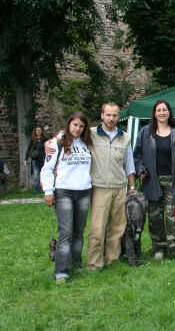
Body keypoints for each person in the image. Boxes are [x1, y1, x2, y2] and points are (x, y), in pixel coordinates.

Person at [47, 102, 137, 270]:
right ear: (102, 115)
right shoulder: (91, 134)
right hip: (99, 187)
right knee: (97, 229)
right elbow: (68, 133)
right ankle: (94, 264)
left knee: (117, 228)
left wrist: (131, 187)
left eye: (115, 115)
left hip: (119, 187)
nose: (111, 118)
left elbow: (129, 164)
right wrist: (51, 142)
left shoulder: (125, 137)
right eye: (108, 115)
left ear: (119, 117)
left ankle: (112, 260)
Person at [40, 112, 93, 284]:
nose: (77, 129)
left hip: (84, 191)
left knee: (79, 232)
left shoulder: (87, 143)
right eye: (75, 125)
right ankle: (61, 272)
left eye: (81, 126)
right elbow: (47, 168)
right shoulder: (57, 142)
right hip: (64, 192)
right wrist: (48, 191)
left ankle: (76, 264)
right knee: (66, 233)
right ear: (69, 124)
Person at [133, 100, 175, 260]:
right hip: (152, 180)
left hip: (173, 180)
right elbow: (137, 155)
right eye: (159, 110)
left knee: (172, 215)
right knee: (155, 215)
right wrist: (140, 169)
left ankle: (174, 246)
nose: (162, 112)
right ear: (154, 113)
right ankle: (158, 246)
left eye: (165, 110)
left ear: (169, 112)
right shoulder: (145, 132)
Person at [25, 126, 48, 194]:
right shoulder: (33, 139)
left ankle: (45, 189)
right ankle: (36, 190)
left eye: (39, 130)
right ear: (35, 131)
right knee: (36, 176)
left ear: (42, 131)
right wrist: (26, 158)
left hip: (43, 159)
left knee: (44, 175)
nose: (38, 131)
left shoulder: (45, 139)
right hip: (35, 159)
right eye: (37, 130)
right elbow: (29, 149)